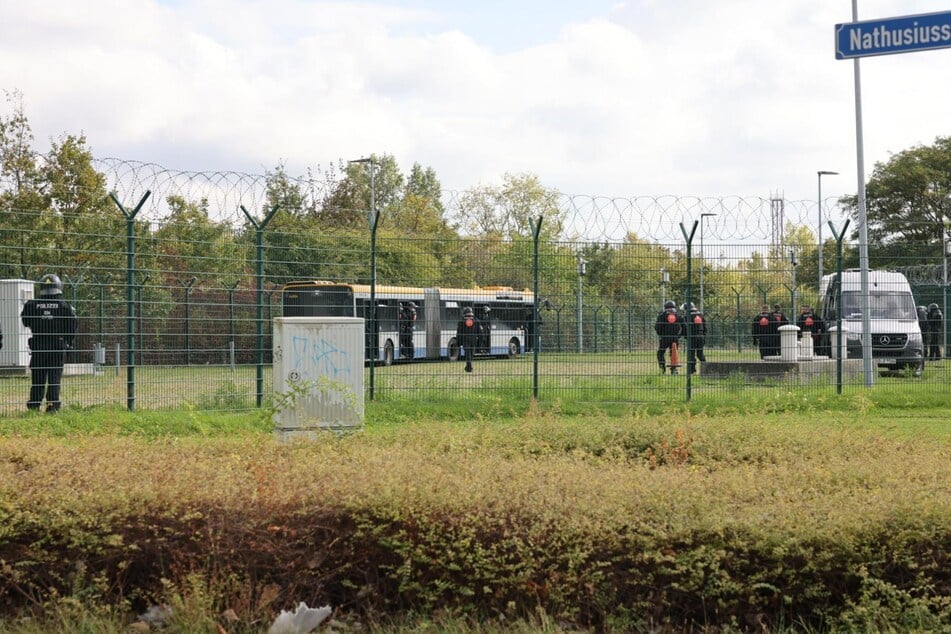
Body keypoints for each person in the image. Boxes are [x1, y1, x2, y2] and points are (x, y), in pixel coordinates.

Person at [20, 273, 78, 413]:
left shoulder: (32, 305)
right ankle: (52, 407)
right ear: (58, 287)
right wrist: (68, 343)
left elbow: (25, 322)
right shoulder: (64, 306)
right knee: (54, 379)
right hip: (57, 346)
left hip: (39, 345)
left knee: (38, 378)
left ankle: (34, 406)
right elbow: (72, 328)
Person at [655, 300, 685, 374]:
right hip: (674, 338)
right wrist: (680, 335)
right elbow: (685, 326)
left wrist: (660, 334)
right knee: (673, 354)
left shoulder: (662, 315)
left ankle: (662, 369)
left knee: (660, 353)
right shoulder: (678, 315)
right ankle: (674, 370)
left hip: (664, 338)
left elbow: (657, 326)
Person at [681, 303, 706, 375]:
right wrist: (703, 335)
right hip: (700, 337)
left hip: (692, 337)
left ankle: (692, 370)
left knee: (691, 355)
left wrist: (685, 336)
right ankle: (706, 369)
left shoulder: (687, 316)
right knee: (700, 354)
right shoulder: (700, 315)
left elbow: (685, 327)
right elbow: (704, 326)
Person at [456, 306, 482, 372]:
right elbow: (480, 332)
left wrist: (458, 342)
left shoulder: (461, 321)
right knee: (471, 353)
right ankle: (469, 366)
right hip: (473, 339)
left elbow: (459, 332)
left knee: (467, 353)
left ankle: (469, 366)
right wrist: (480, 342)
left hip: (465, 339)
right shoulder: (476, 320)